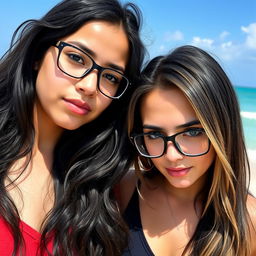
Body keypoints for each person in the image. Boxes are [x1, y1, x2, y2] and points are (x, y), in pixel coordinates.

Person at [0, 0, 145, 255]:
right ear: (37, 54)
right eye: (76, 58)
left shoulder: (102, 188)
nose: (89, 86)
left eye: (110, 77)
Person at [121, 45, 256, 256]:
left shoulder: (250, 221)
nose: (172, 156)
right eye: (154, 135)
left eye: (192, 133)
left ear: (222, 129)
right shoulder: (122, 191)